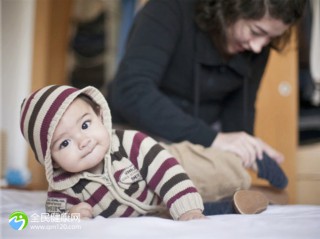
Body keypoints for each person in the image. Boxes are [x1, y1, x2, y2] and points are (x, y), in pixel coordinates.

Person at [20, 85, 269, 221]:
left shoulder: (130, 143)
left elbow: (167, 172)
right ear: (50, 160)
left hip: (174, 165)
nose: (83, 141)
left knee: (225, 174)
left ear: (99, 115)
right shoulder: (65, 186)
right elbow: (52, 215)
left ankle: (260, 172)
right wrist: (70, 216)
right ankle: (240, 202)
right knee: (206, 205)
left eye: (85, 125)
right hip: (160, 206)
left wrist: (187, 209)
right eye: (64, 144)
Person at [109, 0, 306, 168]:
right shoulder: (169, 8)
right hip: (134, 132)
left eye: (270, 37)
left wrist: (247, 151)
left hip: (196, 143)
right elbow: (131, 91)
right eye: (256, 31)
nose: (258, 47)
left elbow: (239, 111)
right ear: (233, 6)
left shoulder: (257, 47)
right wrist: (214, 139)